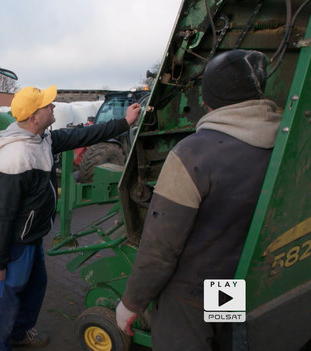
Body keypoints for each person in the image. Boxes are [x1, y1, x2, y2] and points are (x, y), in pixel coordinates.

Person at [115, 49, 282, 350]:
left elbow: (160, 248)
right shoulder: (284, 141)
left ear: (207, 101)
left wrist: (131, 302)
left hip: (189, 296)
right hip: (230, 286)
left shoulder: (192, 153)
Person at [0, 84, 141, 350]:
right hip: (15, 244)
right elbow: (0, 217)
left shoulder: (40, 139)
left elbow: (83, 135)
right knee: (6, 295)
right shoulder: (16, 158)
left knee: (36, 286)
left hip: (32, 237)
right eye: (47, 105)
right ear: (34, 117)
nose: (53, 106)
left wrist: (123, 122)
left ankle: (20, 332)